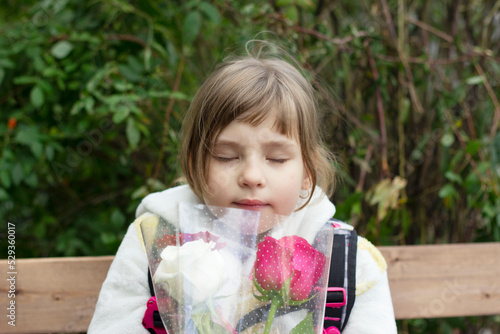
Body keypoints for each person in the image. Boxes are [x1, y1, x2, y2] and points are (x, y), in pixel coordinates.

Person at [88, 44, 397, 333]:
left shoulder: (349, 263)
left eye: (276, 158)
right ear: (194, 162)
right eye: (226, 156)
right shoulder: (155, 241)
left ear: (308, 171)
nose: (251, 176)